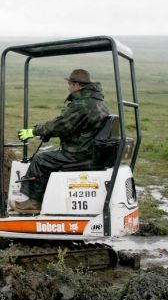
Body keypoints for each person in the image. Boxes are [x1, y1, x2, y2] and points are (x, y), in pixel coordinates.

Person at [12, 69, 109, 213]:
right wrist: (50, 133)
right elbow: (74, 127)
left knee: (40, 160)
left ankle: (34, 203)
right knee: (48, 157)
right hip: (90, 150)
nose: (68, 87)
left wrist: (33, 131)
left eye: (70, 84)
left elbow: (60, 125)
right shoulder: (98, 102)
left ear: (76, 85)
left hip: (79, 153)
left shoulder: (82, 104)